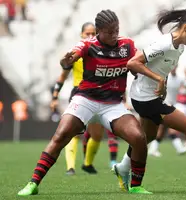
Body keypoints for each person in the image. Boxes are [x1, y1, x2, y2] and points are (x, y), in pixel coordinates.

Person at [18, 9, 151, 196]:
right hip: (86, 99)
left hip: (113, 104)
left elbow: (138, 65)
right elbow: (70, 59)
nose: (114, 35)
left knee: (139, 138)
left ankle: (135, 185)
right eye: (109, 31)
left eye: (116, 30)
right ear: (99, 31)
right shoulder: (87, 45)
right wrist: (66, 62)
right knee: (61, 135)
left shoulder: (127, 45)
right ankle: (33, 183)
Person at [113, 7, 186, 191]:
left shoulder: (179, 47)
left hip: (152, 96)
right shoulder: (164, 44)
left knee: (146, 137)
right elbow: (132, 63)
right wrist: (158, 80)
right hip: (144, 98)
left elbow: (160, 69)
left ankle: (122, 167)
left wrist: (161, 84)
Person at [50, 22, 119, 175]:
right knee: (73, 132)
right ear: (81, 35)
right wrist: (55, 97)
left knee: (97, 135)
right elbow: (62, 76)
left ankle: (87, 164)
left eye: (92, 33)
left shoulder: (104, 53)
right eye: (86, 33)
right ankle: (70, 167)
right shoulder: (76, 53)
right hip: (78, 93)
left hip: (98, 95)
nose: (90, 36)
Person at [148, 67, 186, 157]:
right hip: (164, 105)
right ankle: (179, 148)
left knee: (162, 130)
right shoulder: (163, 76)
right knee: (171, 127)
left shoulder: (180, 78)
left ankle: (152, 149)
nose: (173, 68)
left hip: (172, 105)